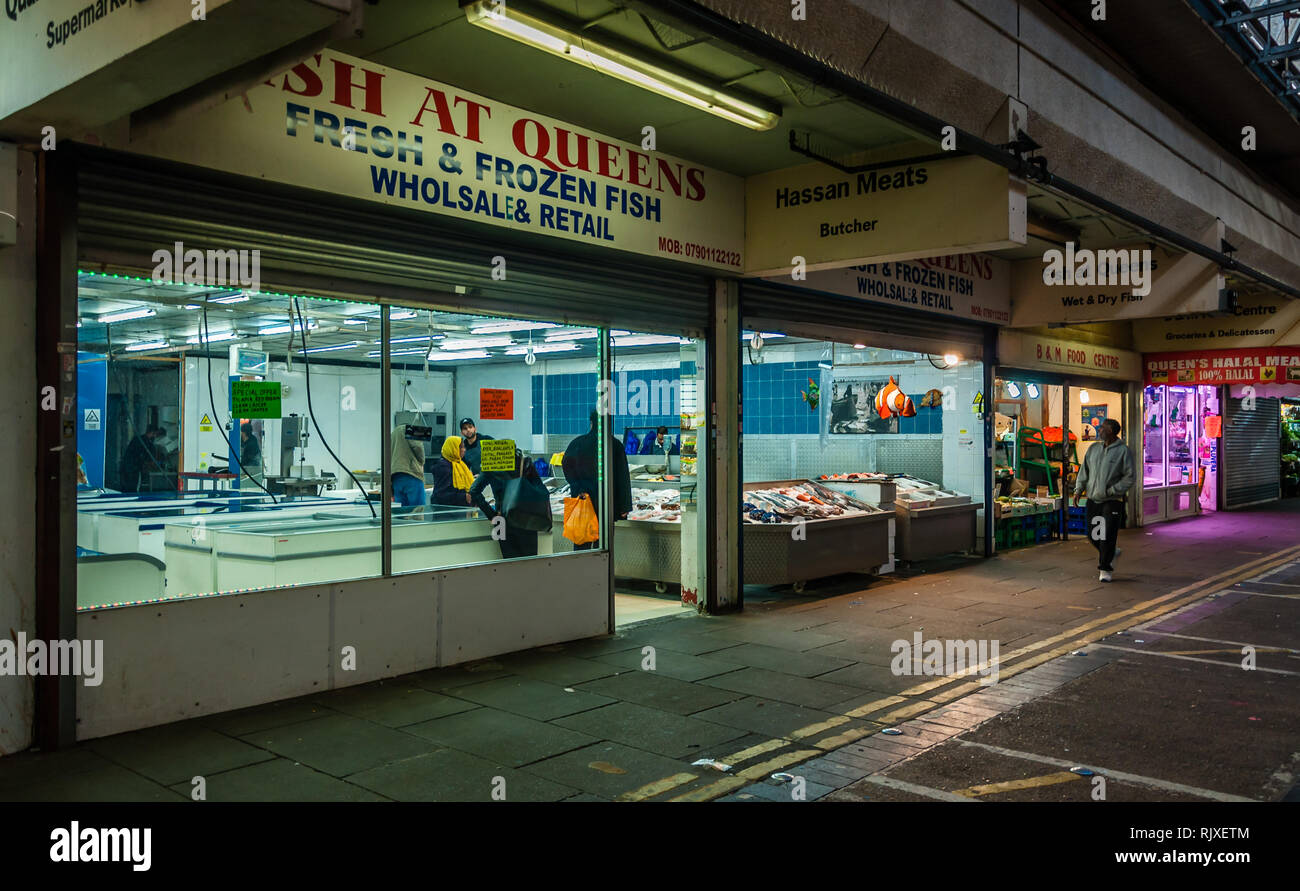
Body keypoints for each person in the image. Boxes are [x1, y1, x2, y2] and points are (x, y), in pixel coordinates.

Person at [1071, 417, 1135, 582]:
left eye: (1102, 428)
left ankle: (1105, 568)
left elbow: (1129, 477)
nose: (1099, 430)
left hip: (1112, 500)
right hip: (1093, 499)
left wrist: (1112, 491)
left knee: (1107, 534)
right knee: (1093, 535)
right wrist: (1079, 490)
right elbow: (1084, 471)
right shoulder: (1093, 449)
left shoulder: (1123, 451)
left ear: (1111, 432)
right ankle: (1110, 552)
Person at [562, 409, 632, 550]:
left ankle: (581, 570)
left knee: (582, 541)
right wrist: (625, 506)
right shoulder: (614, 444)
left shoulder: (577, 443)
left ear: (591, 423)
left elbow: (566, 466)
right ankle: (601, 570)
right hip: (607, 503)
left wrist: (578, 487)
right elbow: (623, 476)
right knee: (604, 545)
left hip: (583, 501)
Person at [469, 448, 542, 559]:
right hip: (527, 519)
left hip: (501, 520)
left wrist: (492, 515)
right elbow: (539, 491)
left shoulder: (491, 466)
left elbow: (474, 490)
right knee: (529, 563)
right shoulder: (524, 463)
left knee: (508, 563)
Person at [390, 423, 427, 509]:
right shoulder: (409, 429)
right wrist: (421, 461)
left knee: (402, 513)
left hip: (396, 477)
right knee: (417, 510)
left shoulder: (393, 434)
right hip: (412, 474)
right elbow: (418, 446)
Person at [432, 434, 474, 507]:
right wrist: (464, 497)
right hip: (447, 513)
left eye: (464, 447)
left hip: (460, 510)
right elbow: (440, 495)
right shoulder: (443, 467)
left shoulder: (461, 464)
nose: (464, 450)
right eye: (461, 447)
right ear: (452, 448)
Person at [120, 426, 165, 492]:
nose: (155, 437)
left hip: (125, 468)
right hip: (133, 470)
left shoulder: (137, 439)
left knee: (126, 490)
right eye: (155, 434)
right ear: (152, 433)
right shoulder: (147, 443)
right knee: (133, 490)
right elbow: (148, 460)